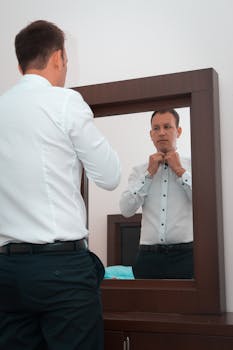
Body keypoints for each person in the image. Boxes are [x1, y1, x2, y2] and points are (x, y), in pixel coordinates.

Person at [0, 20, 121, 350]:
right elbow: (110, 177)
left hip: (7, 273)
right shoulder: (65, 102)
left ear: (20, 63)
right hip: (60, 271)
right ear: (58, 57)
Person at [120, 109, 193, 279]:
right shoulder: (140, 171)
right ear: (151, 134)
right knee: (145, 306)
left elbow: (203, 203)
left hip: (186, 257)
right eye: (156, 128)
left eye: (167, 126)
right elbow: (126, 210)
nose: (161, 132)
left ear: (178, 131)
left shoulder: (193, 165)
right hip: (147, 258)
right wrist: (148, 174)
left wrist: (180, 170)